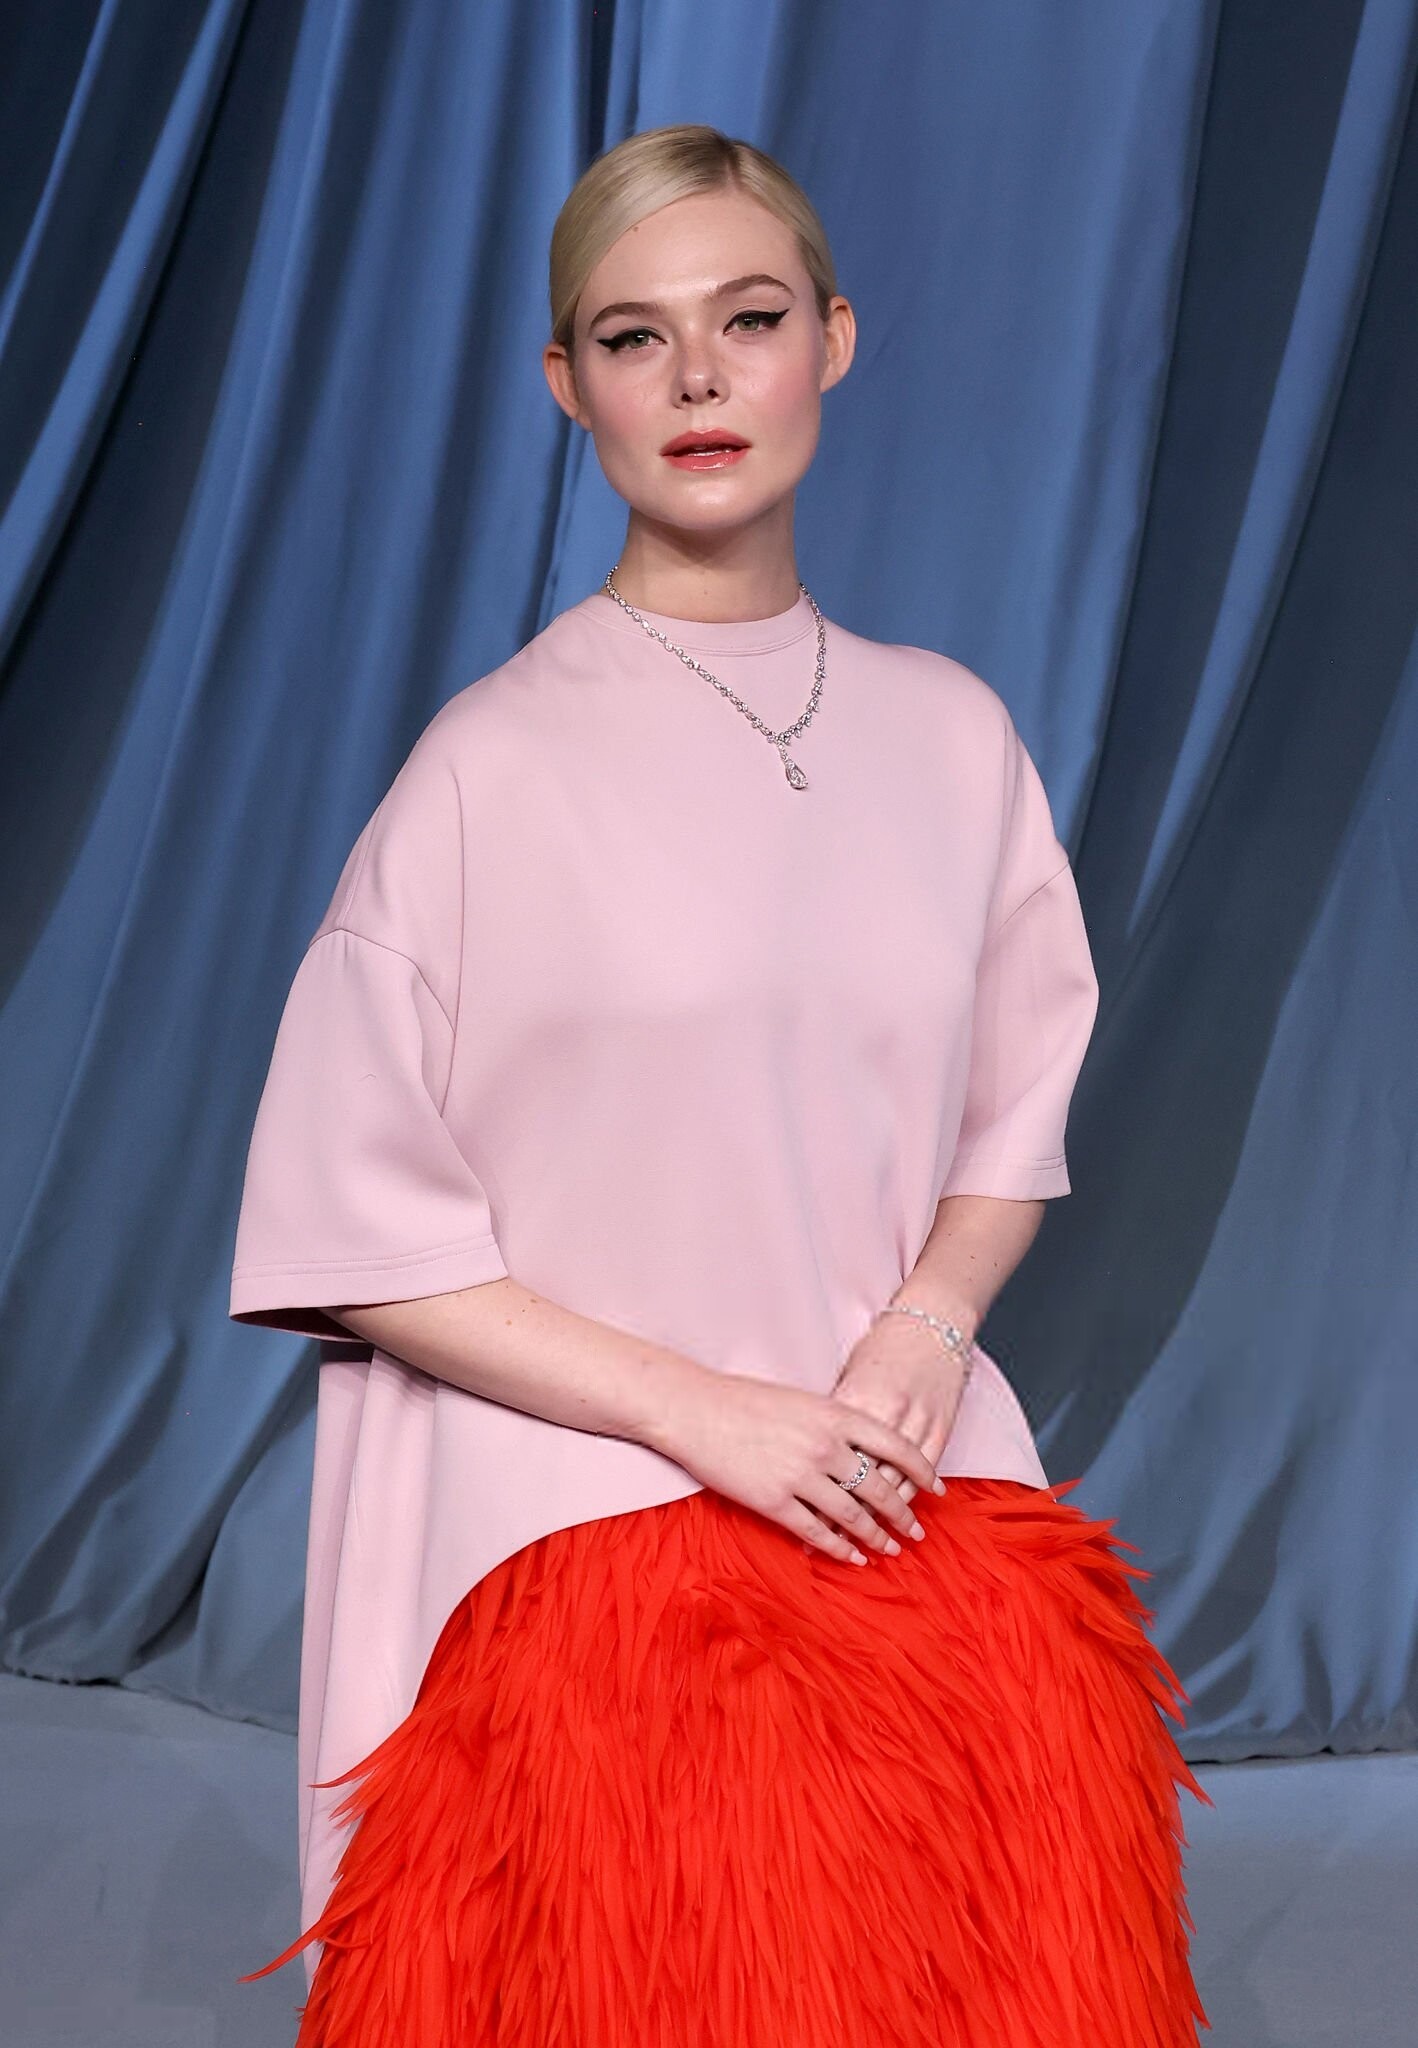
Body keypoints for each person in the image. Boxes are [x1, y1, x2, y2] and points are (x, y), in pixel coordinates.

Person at [230, 122, 1211, 2046]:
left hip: (897, 1471)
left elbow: (1014, 1110)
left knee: (1033, 1856)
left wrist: (925, 1326)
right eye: (632, 336)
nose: (695, 377)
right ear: (566, 384)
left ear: (829, 341)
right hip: (575, 1511)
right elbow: (351, 1232)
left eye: (746, 319)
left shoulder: (952, 737)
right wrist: (710, 1420)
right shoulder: (489, 770)